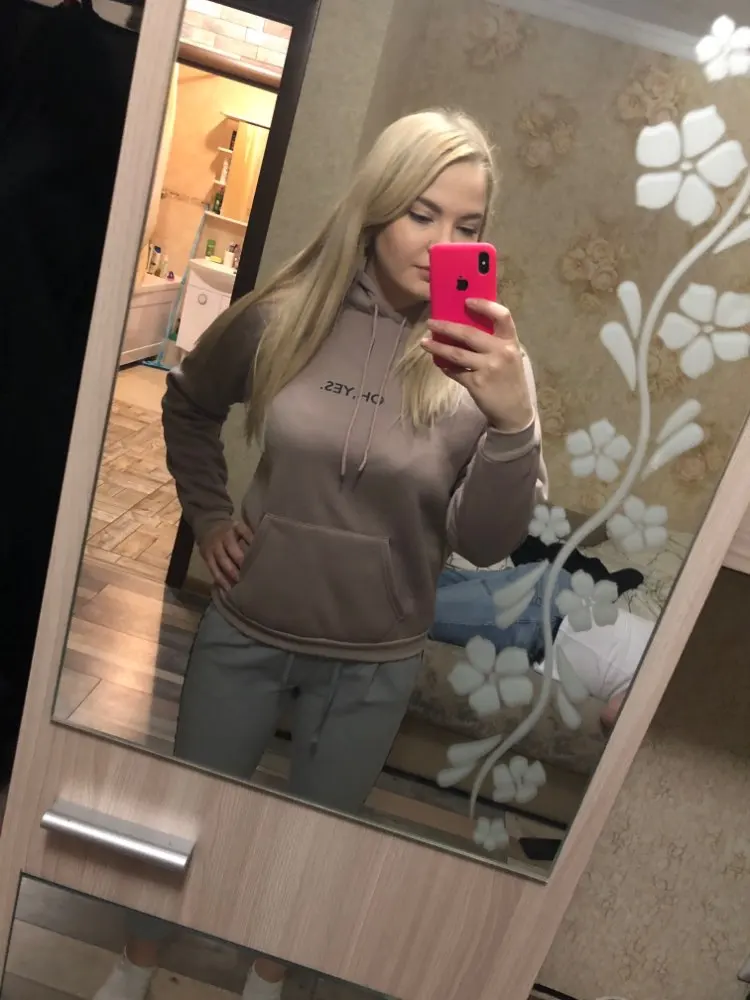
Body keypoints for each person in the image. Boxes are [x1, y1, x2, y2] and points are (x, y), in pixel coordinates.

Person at [93, 108, 546, 1000]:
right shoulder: (284, 317)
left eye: (469, 226)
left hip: (375, 657)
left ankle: (267, 977)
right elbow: (189, 405)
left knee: (310, 848)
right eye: (422, 212)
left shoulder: (480, 364)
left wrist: (515, 422)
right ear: (376, 207)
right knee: (182, 816)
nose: (443, 244)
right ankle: (132, 965)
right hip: (247, 626)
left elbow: (487, 540)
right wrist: (211, 517)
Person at [431, 563, 654, 728]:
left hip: (558, 583)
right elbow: (611, 714)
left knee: (423, 583)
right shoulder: (657, 686)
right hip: (537, 621)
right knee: (418, 616)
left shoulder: (668, 643)